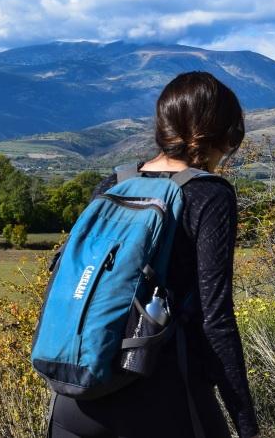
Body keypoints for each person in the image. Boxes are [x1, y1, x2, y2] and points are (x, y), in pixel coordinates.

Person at [50, 71, 260, 438]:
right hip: (162, 393)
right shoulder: (209, 195)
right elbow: (216, 320)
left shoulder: (114, 185)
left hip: (76, 395)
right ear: (224, 134)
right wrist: (246, 423)